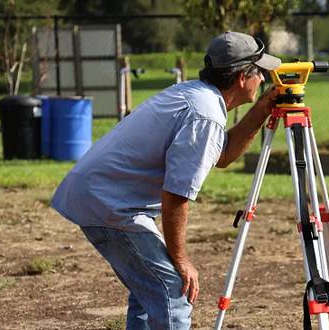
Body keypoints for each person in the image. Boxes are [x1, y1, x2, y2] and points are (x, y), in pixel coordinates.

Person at [51, 31, 281, 330]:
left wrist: (262, 109)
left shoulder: (197, 95)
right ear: (241, 77)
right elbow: (175, 195)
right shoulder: (205, 115)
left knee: (151, 290)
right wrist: (182, 260)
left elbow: (222, 155)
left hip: (102, 196)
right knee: (174, 290)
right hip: (110, 203)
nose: (263, 79)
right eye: (259, 72)